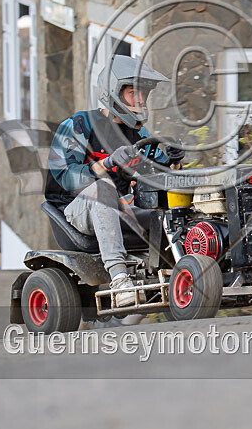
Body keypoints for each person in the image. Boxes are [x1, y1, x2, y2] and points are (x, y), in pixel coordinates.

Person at [45, 55, 184, 307]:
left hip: (122, 208)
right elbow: (64, 177)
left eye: (143, 94)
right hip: (76, 210)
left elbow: (155, 175)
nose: (140, 100)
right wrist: (106, 164)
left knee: (173, 203)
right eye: (133, 93)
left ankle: (186, 272)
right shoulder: (79, 124)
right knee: (102, 188)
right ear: (114, 92)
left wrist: (174, 162)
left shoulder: (139, 134)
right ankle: (120, 280)